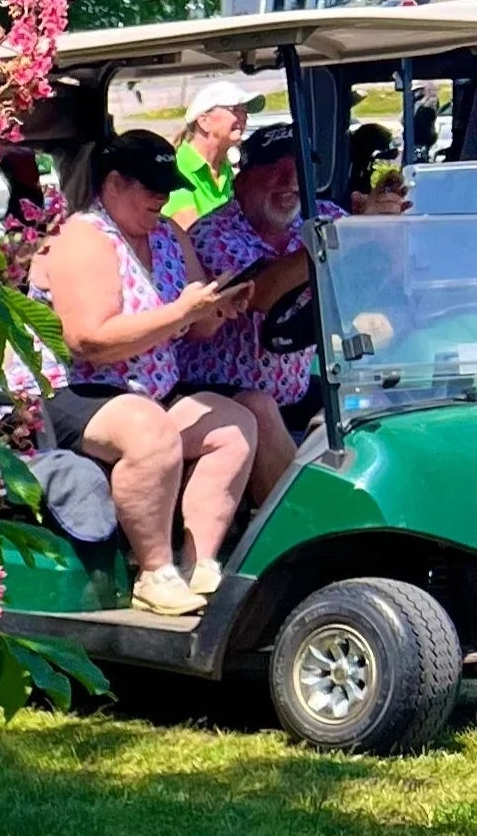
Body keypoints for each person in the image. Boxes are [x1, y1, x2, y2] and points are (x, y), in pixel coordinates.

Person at [39, 129, 260, 617]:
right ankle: (153, 572)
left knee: (236, 424)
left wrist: (215, 309)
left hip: (148, 390)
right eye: (152, 188)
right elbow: (89, 341)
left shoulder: (167, 235)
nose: (164, 198)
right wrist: (181, 314)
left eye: (168, 188)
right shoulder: (84, 237)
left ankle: (198, 562)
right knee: (150, 431)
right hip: (81, 391)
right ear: (114, 183)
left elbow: (193, 327)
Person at [179, 120, 344, 476]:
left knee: (365, 408)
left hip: (296, 390)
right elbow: (261, 295)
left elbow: (384, 276)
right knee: (260, 409)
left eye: (299, 167)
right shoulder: (212, 234)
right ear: (242, 179)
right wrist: (328, 242)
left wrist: (380, 223)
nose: (290, 179)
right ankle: (304, 526)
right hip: (220, 391)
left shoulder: (326, 216)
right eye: (274, 168)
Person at [171, 75, 259, 221]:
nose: (244, 117)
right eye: (235, 109)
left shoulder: (226, 170)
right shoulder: (178, 168)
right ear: (204, 121)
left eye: (244, 111)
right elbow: (189, 234)